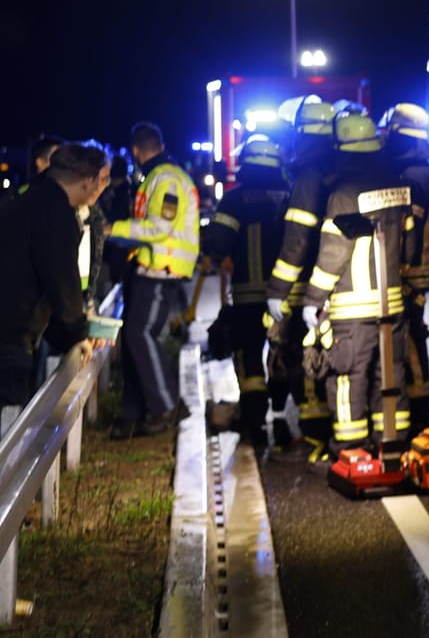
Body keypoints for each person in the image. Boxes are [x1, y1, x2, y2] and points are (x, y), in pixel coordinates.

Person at [280, 111, 412, 460]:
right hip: (393, 306)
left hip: (352, 312)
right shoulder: (397, 187)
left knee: (347, 379)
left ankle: (352, 450)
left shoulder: (341, 195)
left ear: (340, 148)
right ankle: (393, 444)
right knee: (391, 376)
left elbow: (333, 255)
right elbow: (408, 245)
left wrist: (312, 301)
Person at [0, 142, 109, 416]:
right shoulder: (56, 214)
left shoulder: (25, 200)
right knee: (8, 422)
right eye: (101, 180)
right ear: (89, 181)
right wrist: (76, 333)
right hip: (11, 336)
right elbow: (62, 281)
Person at [108, 121, 201, 438]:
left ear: (135, 150)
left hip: (161, 270)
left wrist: (113, 230)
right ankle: (134, 413)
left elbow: (160, 227)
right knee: (135, 338)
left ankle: (166, 405)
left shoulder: (167, 179)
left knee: (140, 334)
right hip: (150, 269)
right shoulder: (159, 176)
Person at [200, 135, 288, 452]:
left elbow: (220, 244)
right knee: (283, 357)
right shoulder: (290, 195)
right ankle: (282, 419)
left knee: (251, 361)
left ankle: (254, 426)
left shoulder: (235, 200)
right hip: (287, 296)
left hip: (248, 295)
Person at [265, 95, 338, 457]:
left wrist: (277, 291)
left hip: (310, 288)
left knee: (306, 366)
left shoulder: (307, 179)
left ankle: (318, 441)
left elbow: (296, 242)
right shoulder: (339, 170)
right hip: (339, 286)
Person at [382, 103, 429, 438]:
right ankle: (421, 417)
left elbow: (407, 232)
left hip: (406, 275)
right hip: (421, 274)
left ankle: (418, 420)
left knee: (409, 347)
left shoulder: (409, 179)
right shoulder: (428, 172)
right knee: (416, 340)